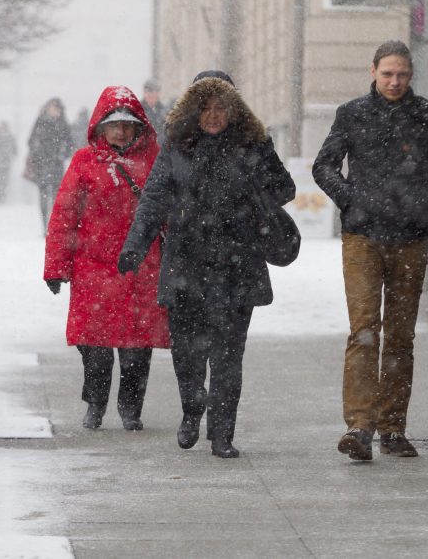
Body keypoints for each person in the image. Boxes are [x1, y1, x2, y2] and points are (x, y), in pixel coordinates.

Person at [118, 70, 296, 458]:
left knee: (229, 355)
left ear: (234, 111)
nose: (214, 116)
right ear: (193, 111)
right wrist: (135, 247)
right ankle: (192, 407)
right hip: (187, 266)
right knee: (188, 354)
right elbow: (152, 202)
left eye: (222, 108)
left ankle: (222, 434)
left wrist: (256, 172)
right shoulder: (177, 147)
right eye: (206, 108)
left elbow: (285, 189)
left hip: (238, 265)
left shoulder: (253, 144)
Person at [312, 40, 428, 461]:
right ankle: (359, 426)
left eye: (401, 74)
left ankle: (394, 428)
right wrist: (351, 199)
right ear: (373, 72)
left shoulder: (427, 115)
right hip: (362, 237)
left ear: (410, 75)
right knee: (364, 330)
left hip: (410, 238)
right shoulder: (352, 114)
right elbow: (323, 165)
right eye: (387, 74)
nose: (394, 81)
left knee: (400, 336)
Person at [43, 86, 170, 431]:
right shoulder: (84, 162)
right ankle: (95, 403)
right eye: (113, 125)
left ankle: (131, 408)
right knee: (95, 350)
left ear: (138, 127)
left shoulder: (154, 159)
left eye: (127, 125)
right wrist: (56, 267)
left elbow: (168, 211)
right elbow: (64, 217)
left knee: (136, 351)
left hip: (141, 268)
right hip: (94, 269)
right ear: (100, 127)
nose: (121, 131)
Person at [25, 97, 74, 230]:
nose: (54, 110)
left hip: (56, 165)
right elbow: (31, 141)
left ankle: (53, 226)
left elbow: (70, 144)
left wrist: (62, 155)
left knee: (56, 197)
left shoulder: (63, 123)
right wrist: (38, 153)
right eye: (52, 107)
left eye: (56, 107)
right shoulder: (40, 122)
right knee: (44, 196)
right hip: (42, 165)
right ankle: (45, 226)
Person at [0, 121, 17, 204]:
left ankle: (1, 198)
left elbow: (15, 150)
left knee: (3, 182)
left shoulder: (10, 137)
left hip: (4, 164)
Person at [141, 78, 167, 144]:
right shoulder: (138, 110)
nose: (153, 94)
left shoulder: (164, 111)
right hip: (144, 149)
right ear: (145, 93)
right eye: (150, 91)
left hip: (160, 149)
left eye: (156, 91)